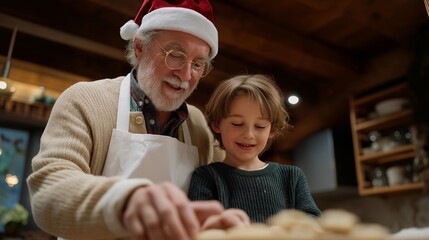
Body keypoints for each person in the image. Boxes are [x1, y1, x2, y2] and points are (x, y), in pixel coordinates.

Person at [26, 0, 250, 239]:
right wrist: (126, 202)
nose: (186, 75)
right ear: (140, 46)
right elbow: (48, 191)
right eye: (175, 55)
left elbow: (220, 187)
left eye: (197, 64)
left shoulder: (196, 124)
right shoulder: (85, 100)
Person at [188, 74, 322, 223]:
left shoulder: (291, 177)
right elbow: (200, 227)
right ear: (217, 124)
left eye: (260, 126)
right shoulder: (206, 177)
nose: (249, 135)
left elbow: (314, 222)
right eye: (237, 124)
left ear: (271, 130)